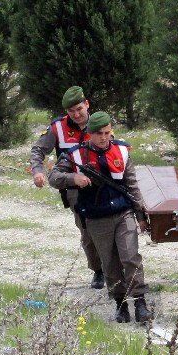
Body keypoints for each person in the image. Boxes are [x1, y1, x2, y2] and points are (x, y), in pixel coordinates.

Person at [49, 111, 153, 324]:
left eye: (107, 132)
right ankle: (120, 302)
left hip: (123, 213)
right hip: (97, 218)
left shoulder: (122, 151)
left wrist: (141, 215)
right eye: (98, 134)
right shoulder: (76, 155)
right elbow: (54, 177)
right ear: (89, 134)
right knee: (109, 263)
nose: (104, 137)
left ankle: (140, 301)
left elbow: (132, 186)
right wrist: (73, 178)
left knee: (130, 257)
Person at [29, 86, 105, 290]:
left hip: (101, 184)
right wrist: (37, 170)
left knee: (109, 224)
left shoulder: (100, 123)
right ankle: (98, 270)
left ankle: (115, 267)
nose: (77, 115)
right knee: (87, 228)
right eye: (71, 111)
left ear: (87, 104)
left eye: (79, 109)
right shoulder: (57, 128)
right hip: (73, 186)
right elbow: (38, 150)